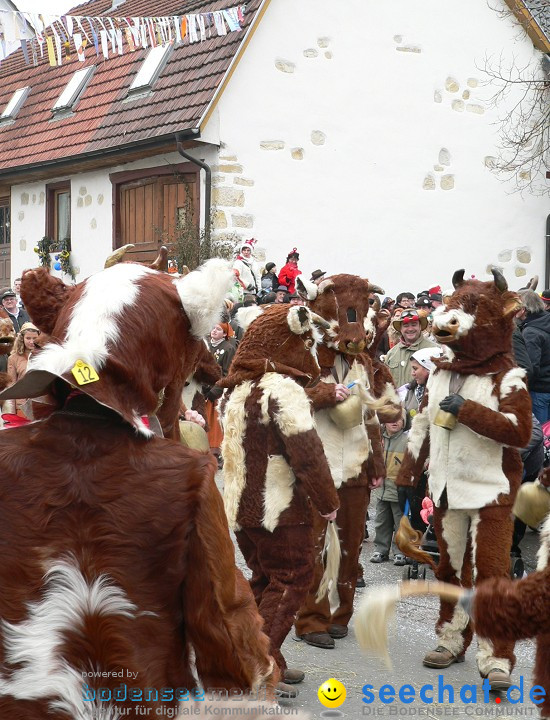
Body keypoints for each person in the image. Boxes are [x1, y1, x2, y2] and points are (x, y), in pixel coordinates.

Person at [219, 304, 339, 698]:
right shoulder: (282, 390)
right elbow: (306, 452)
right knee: (292, 578)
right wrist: (327, 500)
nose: (311, 351)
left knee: (263, 580)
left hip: (242, 506)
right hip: (279, 508)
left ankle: (247, 657)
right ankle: (262, 665)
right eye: (306, 343)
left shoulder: (236, 391)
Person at [370, 413, 408, 565]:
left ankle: (400, 552)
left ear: (404, 422)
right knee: (381, 522)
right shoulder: (379, 440)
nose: (394, 422)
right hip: (382, 490)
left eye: (398, 419)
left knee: (400, 522)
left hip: (399, 491)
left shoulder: (407, 440)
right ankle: (381, 550)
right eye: (391, 418)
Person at [205, 322, 236, 468]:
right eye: (214, 328)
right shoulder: (206, 344)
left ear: (224, 334)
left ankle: (216, 454)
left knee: (216, 424)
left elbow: (228, 373)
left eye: (218, 329)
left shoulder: (228, 348)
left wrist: (214, 391)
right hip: (203, 389)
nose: (214, 331)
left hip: (218, 392)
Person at [518, 289, 550, 424]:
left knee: (540, 433)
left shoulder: (531, 332)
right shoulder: (546, 320)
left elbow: (531, 367)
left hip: (539, 390)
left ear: (524, 310)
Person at [384, 309, 437, 388]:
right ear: (400, 329)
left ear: (420, 327)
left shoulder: (435, 350)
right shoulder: (391, 354)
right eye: (406, 326)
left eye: (414, 324)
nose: (410, 329)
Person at [7, 322, 40, 416]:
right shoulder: (13, 358)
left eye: (34, 338)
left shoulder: (45, 355)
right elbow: (11, 386)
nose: (31, 341)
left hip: (42, 405)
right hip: (22, 406)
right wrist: (11, 414)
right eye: (28, 338)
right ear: (22, 338)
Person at [401, 346, 442, 417]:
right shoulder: (412, 391)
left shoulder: (442, 393)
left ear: (429, 368)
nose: (412, 373)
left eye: (415, 368)